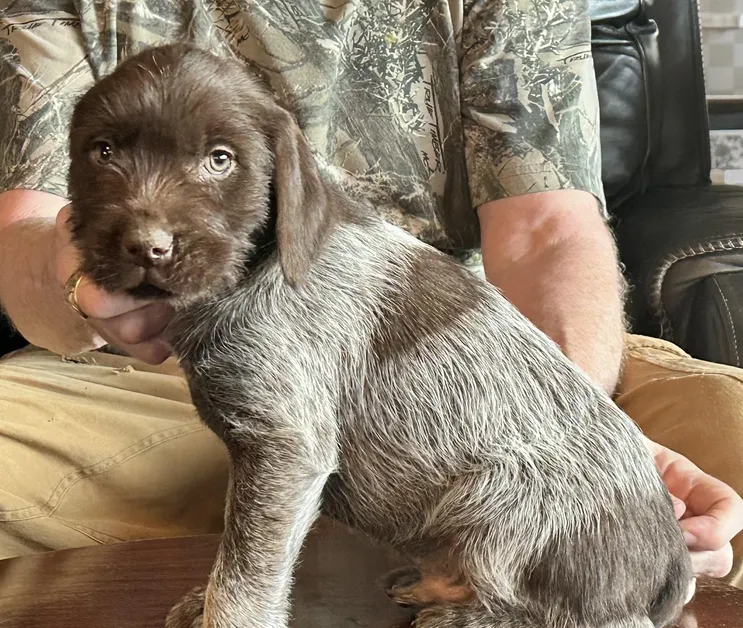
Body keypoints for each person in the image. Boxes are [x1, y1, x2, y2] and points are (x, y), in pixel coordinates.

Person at [0, 1, 741, 583]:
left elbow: (546, 231)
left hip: (469, 356)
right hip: (158, 376)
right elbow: (22, 236)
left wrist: (557, 444)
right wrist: (81, 278)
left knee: (728, 448)